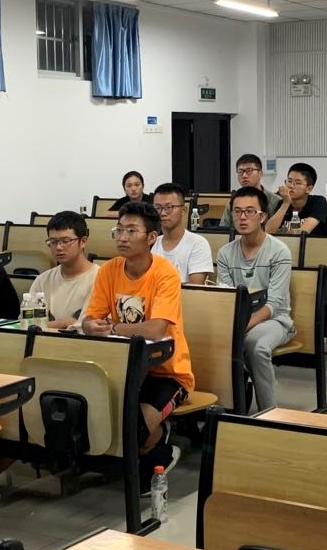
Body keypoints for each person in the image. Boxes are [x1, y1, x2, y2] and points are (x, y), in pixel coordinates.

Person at [82, 201, 195, 482]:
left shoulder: (165, 273)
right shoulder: (108, 270)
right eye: (119, 230)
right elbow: (91, 318)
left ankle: (162, 441)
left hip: (167, 373)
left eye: (131, 231)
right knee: (100, 423)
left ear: (151, 237)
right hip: (122, 369)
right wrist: (89, 325)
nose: (122, 237)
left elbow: (156, 330)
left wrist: (112, 327)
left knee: (136, 430)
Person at [216, 187, 295, 413]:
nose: (242, 217)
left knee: (255, 345)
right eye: (237, 211)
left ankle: (269, 411)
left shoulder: (279, 251)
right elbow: (226, 298)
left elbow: (274, 303)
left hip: (275, 321)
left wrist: (240, 327)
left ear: (262, 217)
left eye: (249, 211)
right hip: (237, 320)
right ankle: (228, 408)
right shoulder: (225, 253)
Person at [29, 211, 98, 329]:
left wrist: (47, 325)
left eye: (66, 241)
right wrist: (65, 323)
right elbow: (27, 323)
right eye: (53, 242)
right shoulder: (42, 280)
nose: (59, 247)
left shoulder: (100, 277)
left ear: (83, 242)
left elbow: (86, 326)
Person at [151, 183, 213, 284]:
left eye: (169, 207)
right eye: (157, 208)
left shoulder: (198, 244)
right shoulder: (151, 243)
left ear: (184, 210)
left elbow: (195, 288)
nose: (162, 213)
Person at [267, 162, 327, 237]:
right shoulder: (282, 203)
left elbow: (302, 233)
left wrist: (284, 234)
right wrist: (286, 203)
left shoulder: (318, 202)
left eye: (297, 183)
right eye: (289, 181)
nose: (291, 186)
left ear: (309, 189)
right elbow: (268, 232)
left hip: (317, 244)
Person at [220, 154, 281, 228]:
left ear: (260, 174)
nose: (244, 175)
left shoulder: (275, 201)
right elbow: (223, 229)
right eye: (240, 172)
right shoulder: (234, 200)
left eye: (249, 171)